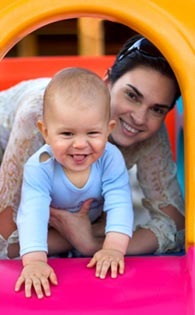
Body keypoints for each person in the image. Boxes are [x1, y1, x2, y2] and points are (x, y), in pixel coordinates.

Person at [0, 34, 184, 260]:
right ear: (107, 82)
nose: (138, 117)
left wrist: (91, 243)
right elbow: (5, 241)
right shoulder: (39, 119)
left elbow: (175, 226)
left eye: (157, 109)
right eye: (132, 95)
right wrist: (74, 235)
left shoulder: (148, 131)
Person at [14, 67, 134, 298]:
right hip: (53, 229)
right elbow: (32, 213)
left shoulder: (110, 159)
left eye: (92, 133)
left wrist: (112, 248)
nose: (80, 144)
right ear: (46, 132)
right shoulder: (39, 167)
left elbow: (120, 202)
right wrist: (35, 261)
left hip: (92, 225)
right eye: (67, 134)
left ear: (108, 130)